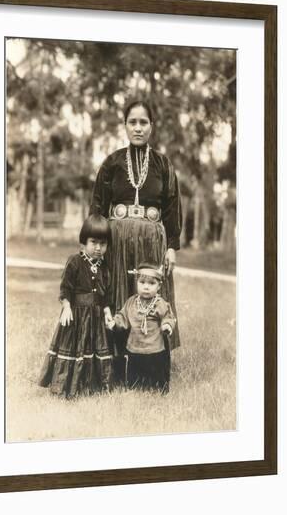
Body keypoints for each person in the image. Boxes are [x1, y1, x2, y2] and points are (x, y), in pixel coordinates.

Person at [89, 100, 182, 379]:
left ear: (152, 126)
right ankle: (117, 361)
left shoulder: (163, 164)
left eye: (143, 122)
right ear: (125, 125)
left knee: (150, 292)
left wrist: (172, 248)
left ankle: (154, 361)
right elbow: (97, 207)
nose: (138, 128)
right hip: (117, 241)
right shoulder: (112, 163)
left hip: (152, 240)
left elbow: (172, 208)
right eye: (133, 122)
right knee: (120, 293)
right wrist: (97, 243)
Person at [39, 214, 114, 398]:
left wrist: (106, 311)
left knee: (94, 347)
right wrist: (66, 306)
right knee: (75, 348)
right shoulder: (75, 262)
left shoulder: (104, 266)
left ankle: (92, 385)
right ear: (83, 242)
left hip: (95, 317)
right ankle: (66, 385)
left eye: (103, 243)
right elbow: (65, 288)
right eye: (93, 242)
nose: (98, 248)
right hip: (77, 315)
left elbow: (105, 294)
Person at [107, 262, 176, 394]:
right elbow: (123, 317)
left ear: (159, 286)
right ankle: (135, 387)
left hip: (155, 348)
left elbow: (168, 317)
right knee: (135, 376)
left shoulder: (160, 304)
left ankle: (157, 389)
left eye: (151, 283)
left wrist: (167, 325)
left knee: (156, 376)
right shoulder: (131, 302)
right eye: (142, 282)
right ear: (136, 283)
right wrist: (115, 323)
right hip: (135, 347)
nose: (146, 287)